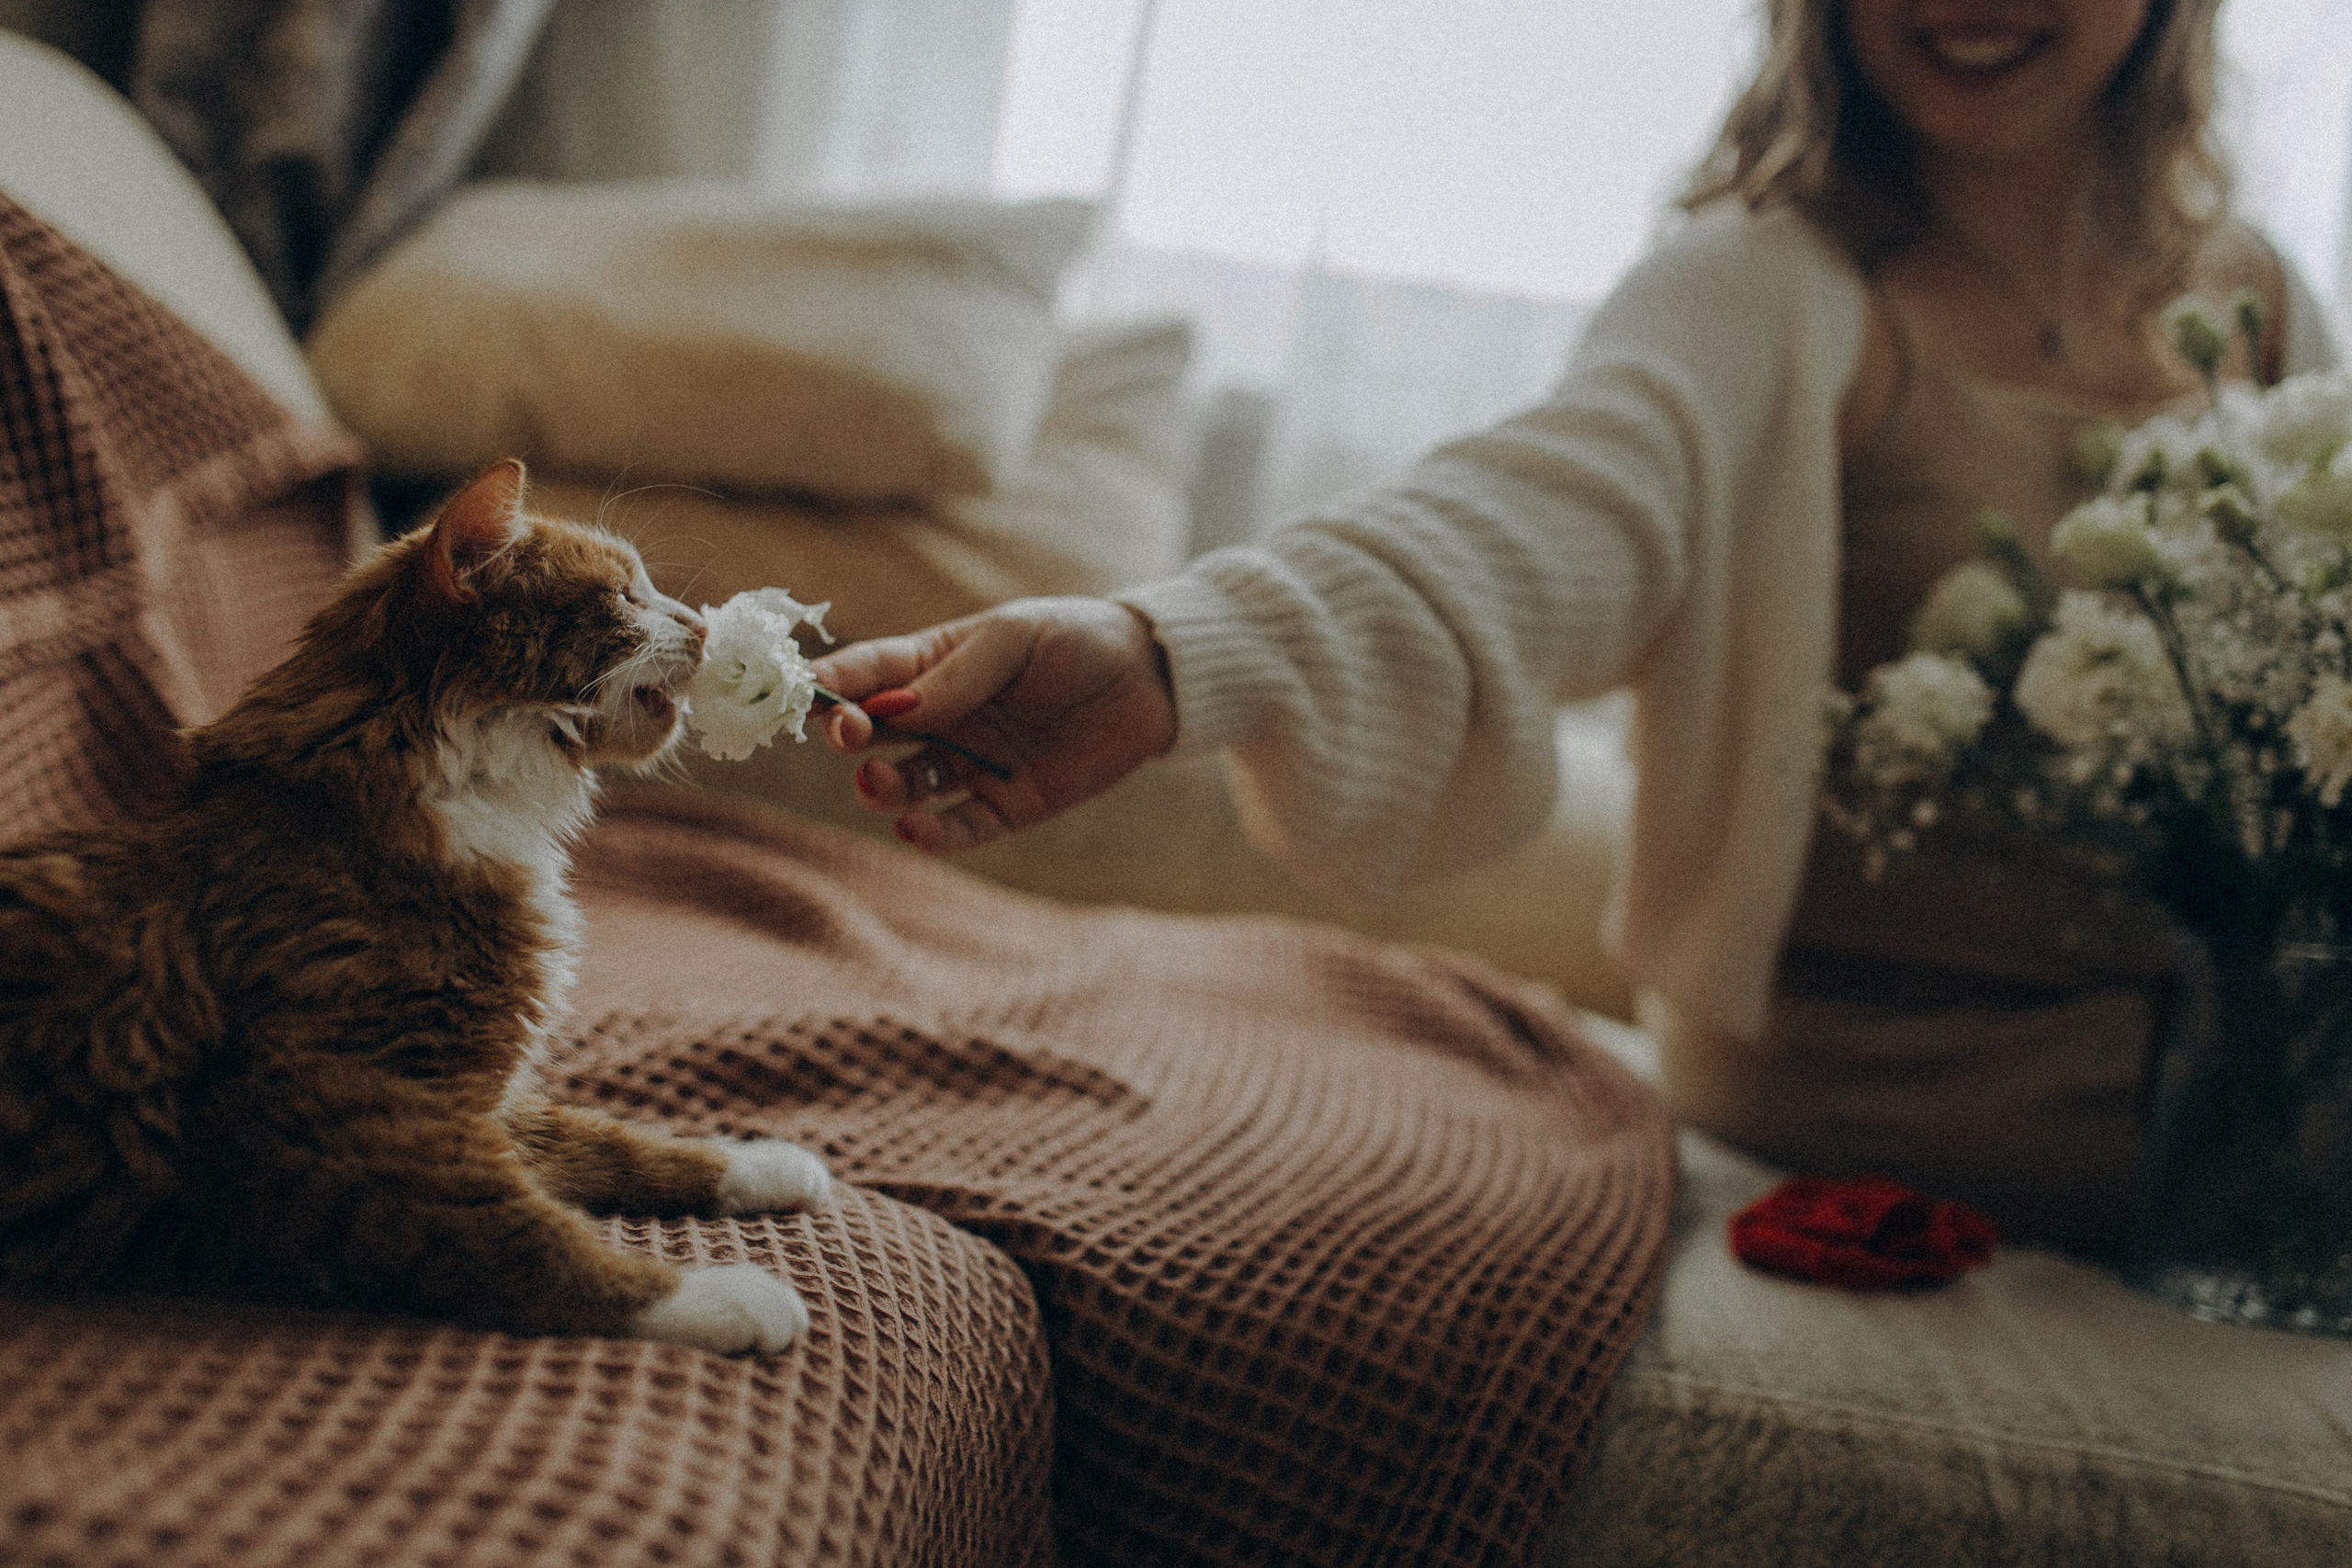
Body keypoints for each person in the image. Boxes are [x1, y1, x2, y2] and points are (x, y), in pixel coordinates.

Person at [810, 0, 2338, 1256]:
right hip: (1898, 1101)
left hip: (2249, 1074)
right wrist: (1162, 657)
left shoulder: (2255, 299)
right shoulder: (1763, 293)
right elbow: (1533, 521)